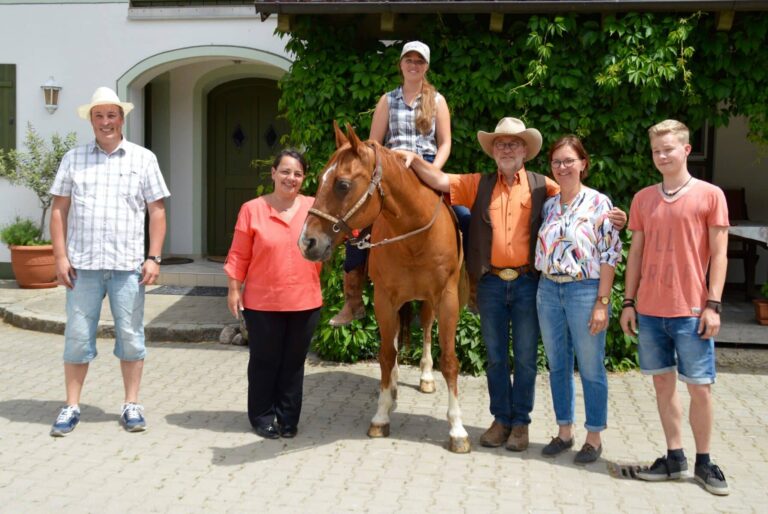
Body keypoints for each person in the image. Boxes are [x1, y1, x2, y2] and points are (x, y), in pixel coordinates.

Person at [399, 117, 627, 451]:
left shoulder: (543, 186)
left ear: (525, 151)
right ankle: (500, 419)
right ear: (493, 151)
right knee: (494, 357)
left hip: (529, 284)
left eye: (514, 143)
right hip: (490, 283)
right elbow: (440, 179)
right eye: (501, 143)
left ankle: (521, 424)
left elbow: (580, 205)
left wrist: (618, 218)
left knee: (524, 358)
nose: (507, 148)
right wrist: (413, 158)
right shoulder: (479, 183)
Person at [48, 87, 170, 437]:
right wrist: (59, 256)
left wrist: (154, 257)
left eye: (111, 115)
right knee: (76, 337)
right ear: (91, 120)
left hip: (127, 267)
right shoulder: (73, 158)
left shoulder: (143, 159)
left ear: (122, 118)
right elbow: (59, 209)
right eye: (99, 116)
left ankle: (131, 405)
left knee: (131, 337)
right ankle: (71, 406)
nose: (105, 122)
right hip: (82, 267)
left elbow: (156, 210)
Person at [620, 120, 730, 495]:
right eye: (656, 150)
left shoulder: (710, 195)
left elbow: (719, 254)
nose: (662, 155)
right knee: (663, 386)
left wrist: (713, 305)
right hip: (650, 311)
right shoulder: (643, 199)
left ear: (686, 149)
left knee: (700, 389)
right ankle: (674, 457)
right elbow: (635, 253)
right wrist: (628, 301)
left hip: (692, 312)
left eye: (669, 148)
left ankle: (705, 462)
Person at [329, 40, 466, 326]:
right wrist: (381, 170)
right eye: (409, 60)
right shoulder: (386, 100)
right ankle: (352, 298)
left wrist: (433, 170)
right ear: (401, 64)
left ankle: (473, 283)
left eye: (419, 61)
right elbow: (374, 144)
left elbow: (445, 143)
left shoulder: (437, 100)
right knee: (358, 226)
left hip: (426, 167)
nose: (414, 65)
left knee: (464, 215)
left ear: (426, 67)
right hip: (391, 171)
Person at [534, 135, 622, 464]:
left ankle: (594, 436)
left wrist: (602, 302)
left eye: (569, 160)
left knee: (590, 366)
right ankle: (564, 432)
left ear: (583, 163)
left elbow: (611, 254)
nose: (562, 167)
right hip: (548, 290)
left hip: (585, 290)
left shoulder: (601, 204)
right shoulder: (550, 205)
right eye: (557, 161)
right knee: (557, 365)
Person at [224, 149, 322, 440]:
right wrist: (233, 289)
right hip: (262, 301)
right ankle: (262, 417)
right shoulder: (252, 209)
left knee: (293, 363)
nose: (291, 178)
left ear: (303, 179)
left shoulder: (315, 207)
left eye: (298, 173)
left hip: (305, 299)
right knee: (264, 361)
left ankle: (288, 418)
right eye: (286, 171)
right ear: (273, 174)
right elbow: (239, 253)